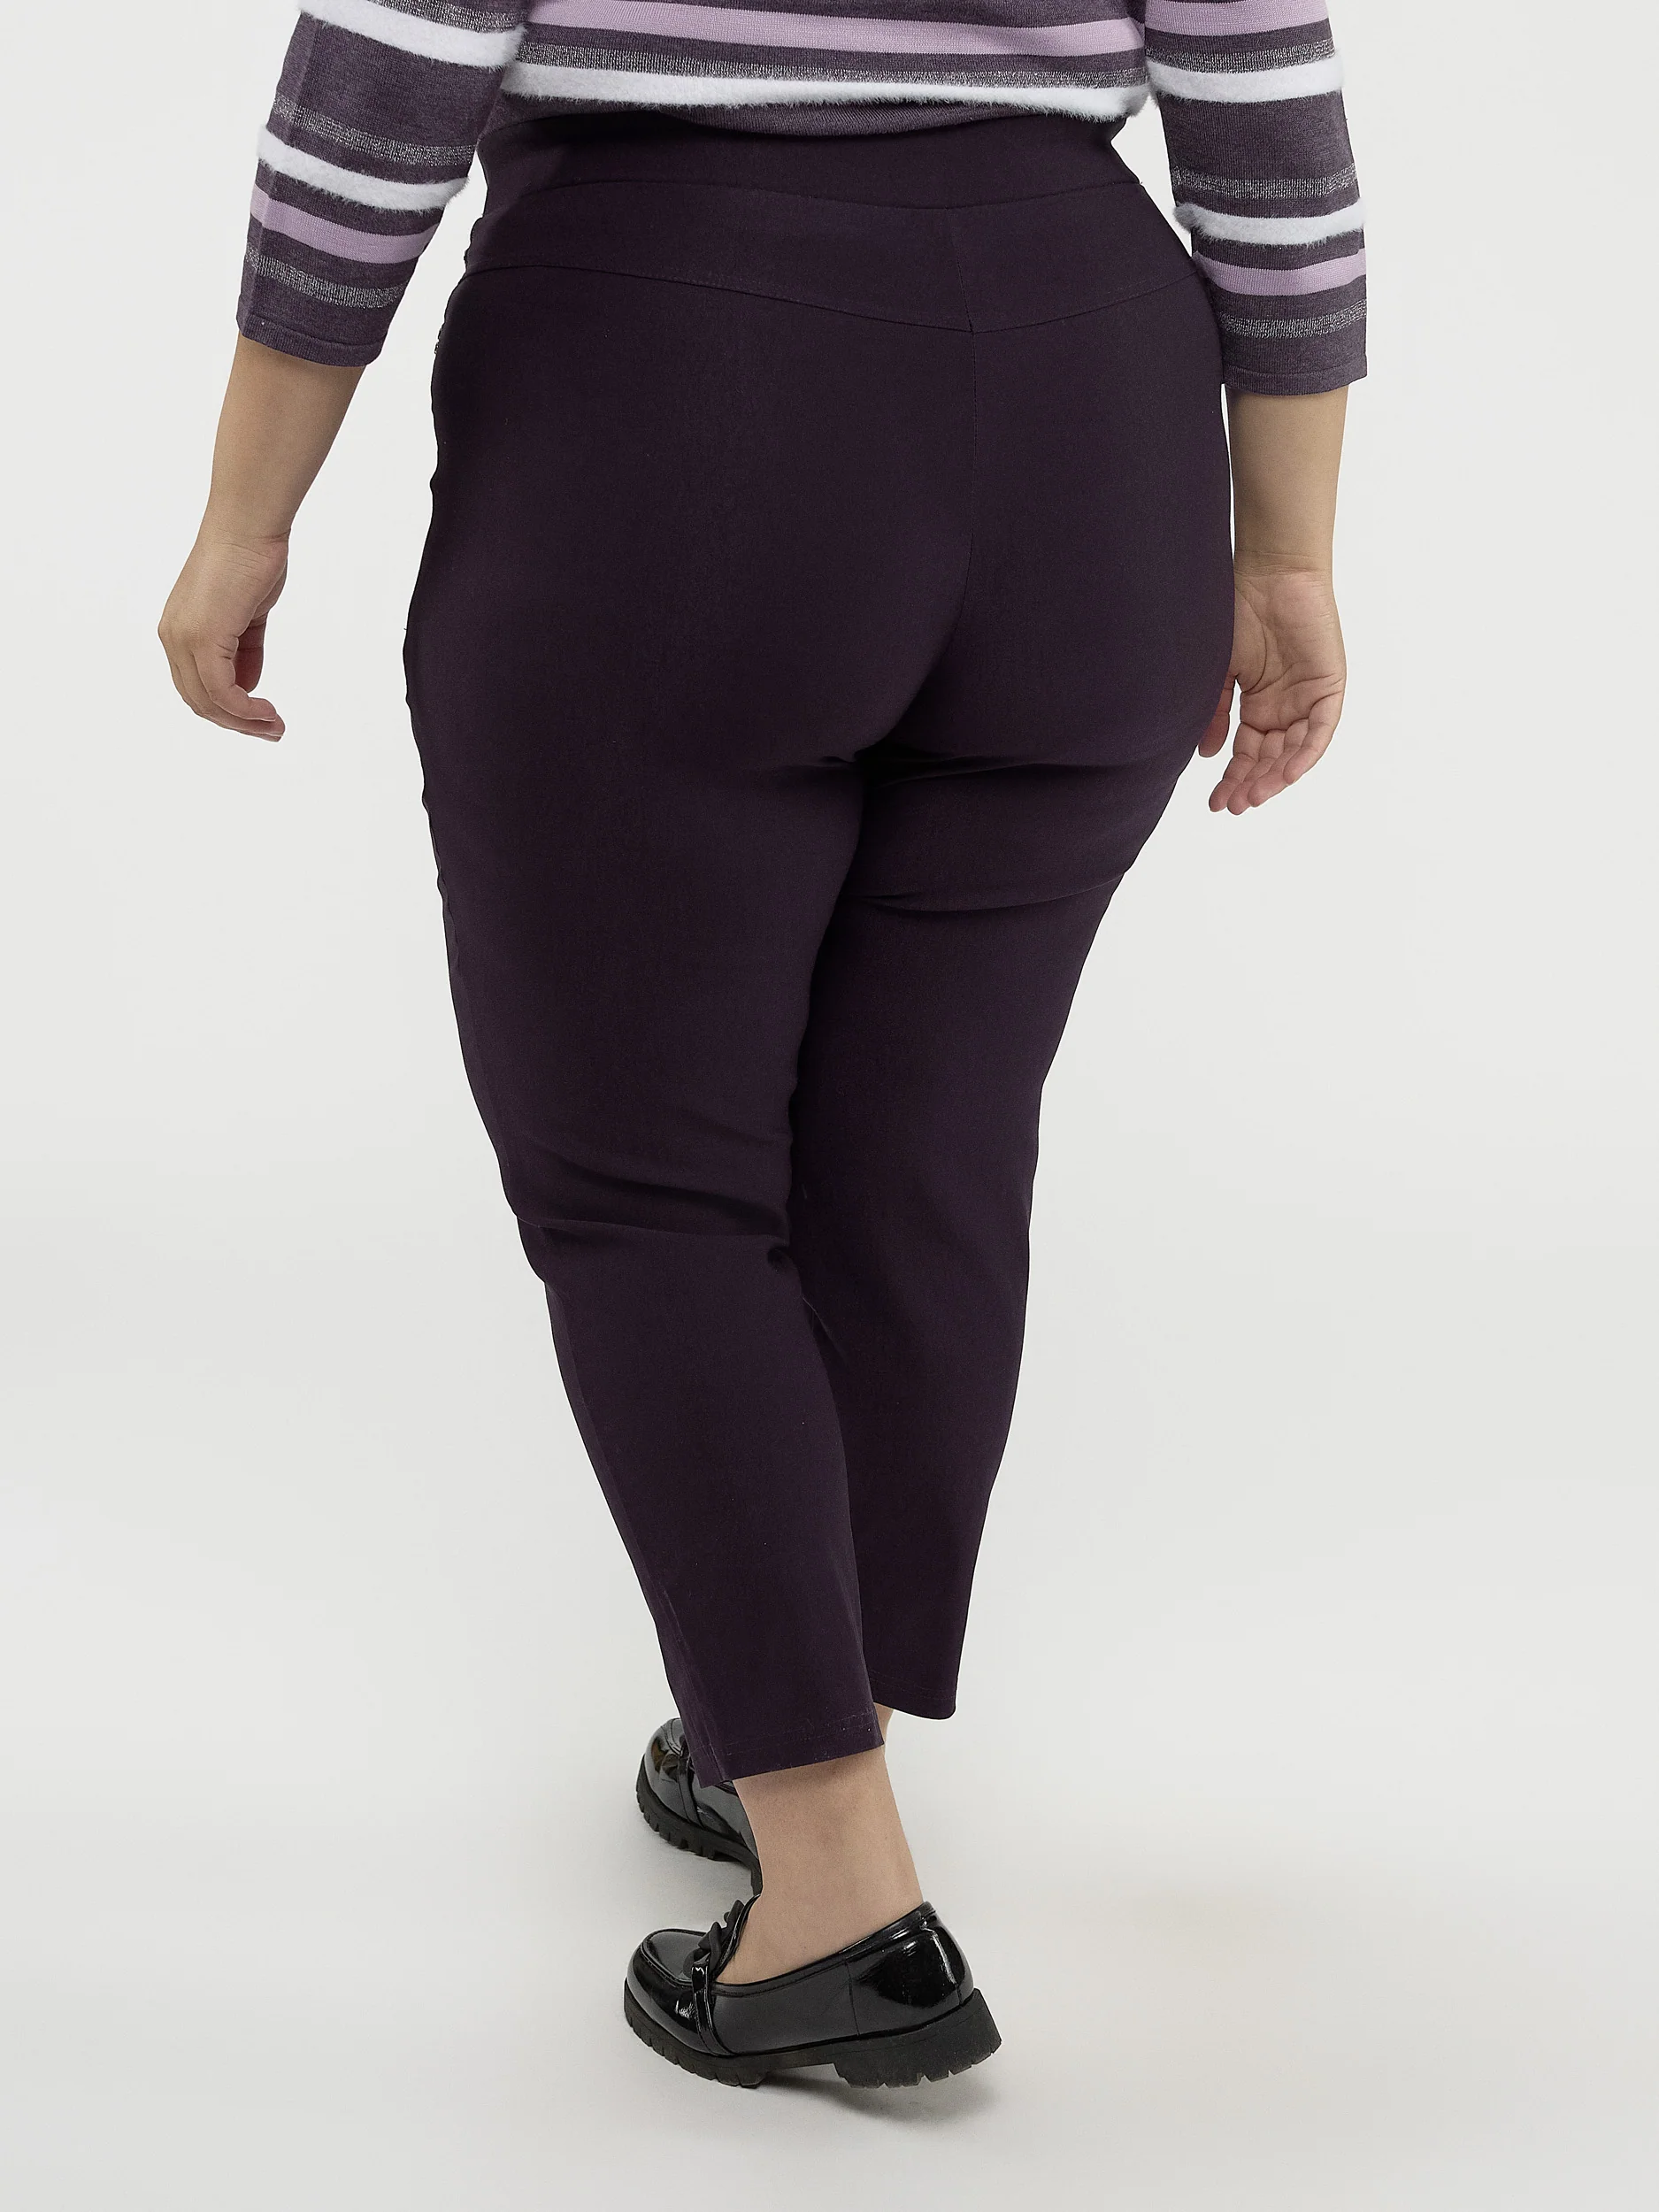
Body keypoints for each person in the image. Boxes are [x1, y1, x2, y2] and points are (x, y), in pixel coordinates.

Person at [159, 0, 1362, 2091]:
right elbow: (1271, 124)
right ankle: (798, 1722)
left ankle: (831, 1897)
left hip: (675, 383)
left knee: (650, 1181)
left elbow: (374, 99)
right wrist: (1285, 547)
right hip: (1091, 404)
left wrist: (246, 510)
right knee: (925, 1138)